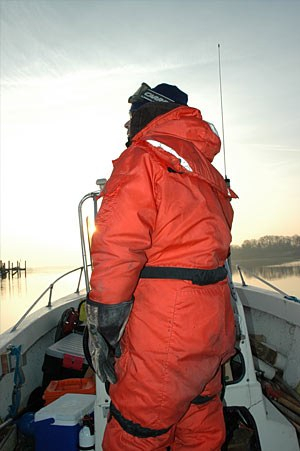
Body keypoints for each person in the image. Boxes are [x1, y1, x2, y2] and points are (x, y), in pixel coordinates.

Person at [86, 82, 238, 450]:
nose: (126, 126)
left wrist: (103, 325)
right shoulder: (206, 172)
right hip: (212, 323)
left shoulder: (143, 157)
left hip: (166, 332)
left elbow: (118, 245)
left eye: (131, 115)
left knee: (138, 432)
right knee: (200, 424)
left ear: (148, 113)